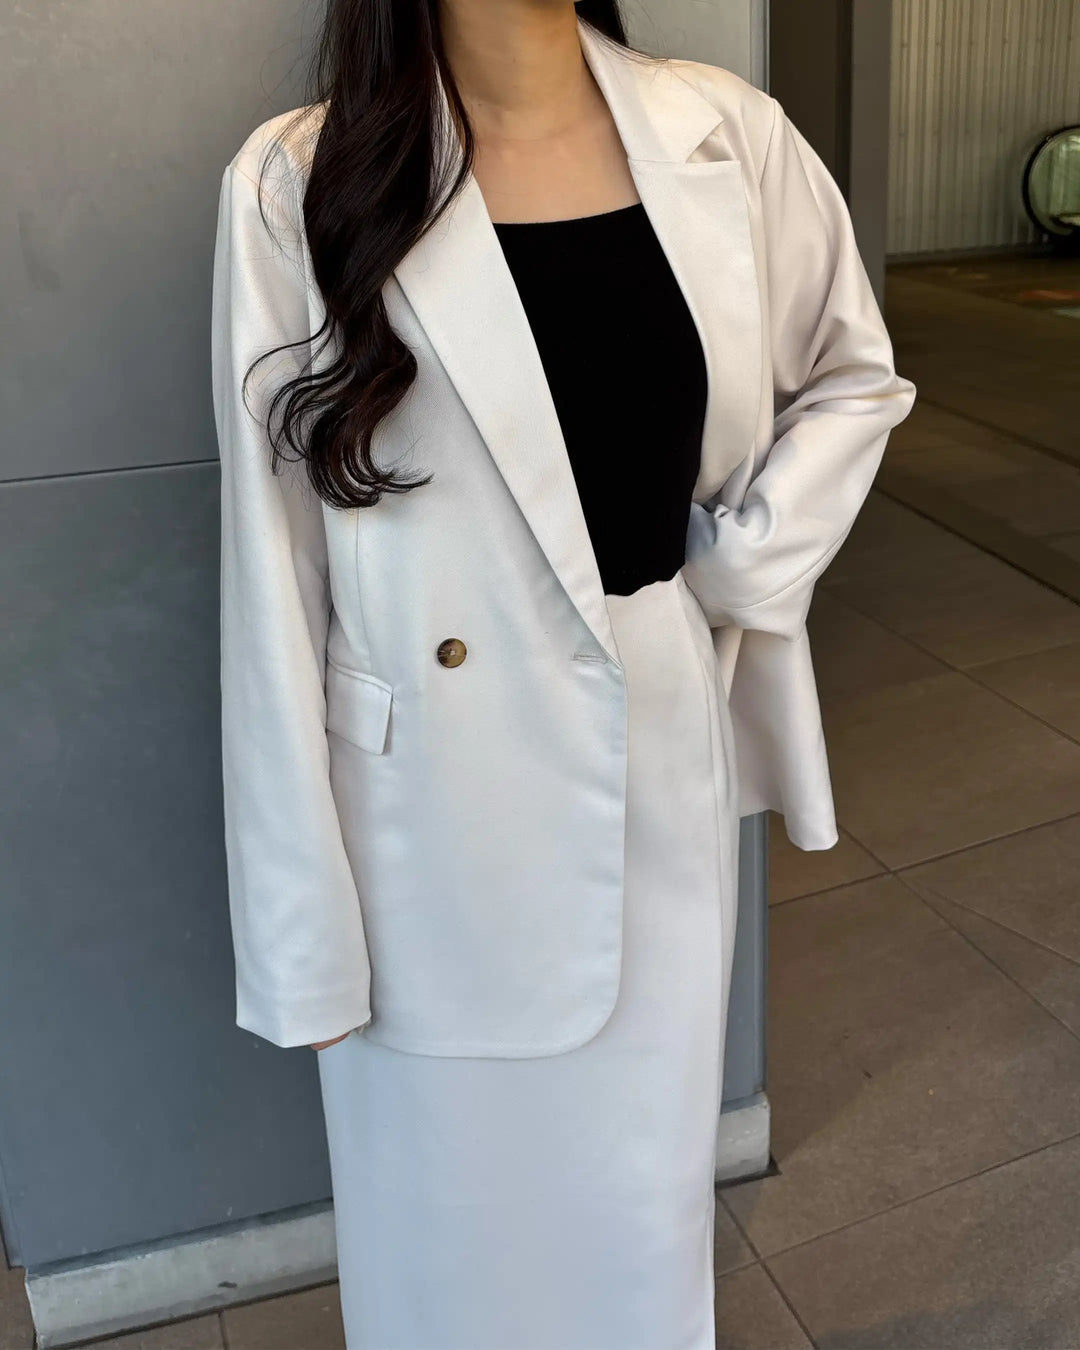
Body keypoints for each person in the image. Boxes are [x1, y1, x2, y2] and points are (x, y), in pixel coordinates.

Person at [210, 1, 917, 1346]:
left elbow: (852, 377)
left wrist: (734, 572)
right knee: (448, 1244)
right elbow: (272, 571)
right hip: (428, 826)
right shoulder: (298, 179)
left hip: (654, 754)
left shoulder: (724, 132)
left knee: (638, 1221)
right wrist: (300, 936)